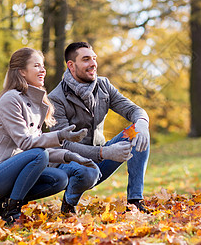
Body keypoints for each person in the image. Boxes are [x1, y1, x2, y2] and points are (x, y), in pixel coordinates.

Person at [0, 47, 100, 224]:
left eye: (43, 66)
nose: (43, 71)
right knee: (39, 155)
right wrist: (60, 136)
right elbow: (27, 144)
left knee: (60, 179)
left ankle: (6, 204)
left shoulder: (35, 102)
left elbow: (38, 147)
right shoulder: (11, 99)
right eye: (37, 66)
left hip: (12, 171)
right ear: (22, 72)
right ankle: (12, 211)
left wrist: (71, 156)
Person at [48, 42, 151, 213]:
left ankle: (135, 201)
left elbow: (134, 110)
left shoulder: (103, 85)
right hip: (67, 165)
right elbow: (64, 145)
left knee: (136, 131)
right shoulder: (55, 98)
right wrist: (104, 153)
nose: (93, 63)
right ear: (71, 65)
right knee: (84, 169)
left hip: (100, 159)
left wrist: (142, 122)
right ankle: (69, 204)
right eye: (86, 59)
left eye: (94, 58)